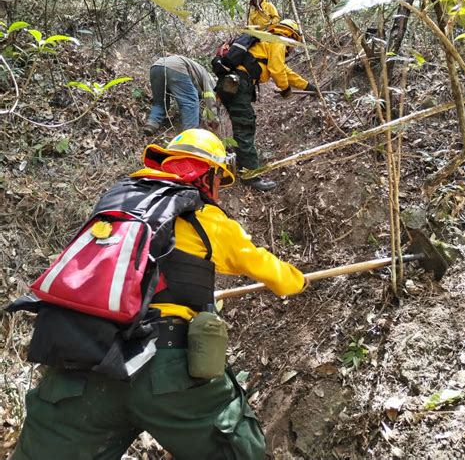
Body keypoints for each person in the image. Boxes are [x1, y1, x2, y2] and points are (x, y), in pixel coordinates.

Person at [11, 129, 307, 460]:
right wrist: (299, 280)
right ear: (207, 176)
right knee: (240, 450)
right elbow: (276, 276)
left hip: (79, 361)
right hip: (164, 368)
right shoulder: (205, 217)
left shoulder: (115, 205)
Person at [216, 19, 317, 192]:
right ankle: (250, 176)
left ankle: (240, 162)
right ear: (291, 36)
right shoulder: (278, 39)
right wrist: (285, 89)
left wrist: (308, 87)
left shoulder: (266, 40)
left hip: (230, 83)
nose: (291, 49)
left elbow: (285, 71)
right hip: (240, 83)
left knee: (242, 125)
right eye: (293, 45)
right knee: (245, 126)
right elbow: (277, 69)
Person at [145, 55, 219, 136]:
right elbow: (210, 98)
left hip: (156, 67)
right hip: (176, 68)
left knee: (160, 103)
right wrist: (213, 119)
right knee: (190, 103)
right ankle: (190, 134)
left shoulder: (198, 74)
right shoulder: (210, 79)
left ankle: (151, 124)